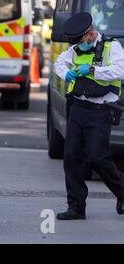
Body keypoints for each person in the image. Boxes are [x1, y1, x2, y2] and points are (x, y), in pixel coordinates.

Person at [54, 11, 124, 220]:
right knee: (71, 158)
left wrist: (93, 70)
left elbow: (120, 71)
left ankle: (122, 193)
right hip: (78, 108)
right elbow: (60, 62)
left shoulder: (112, 47)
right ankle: (76, 206)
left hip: (100, 111)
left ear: (91, 34)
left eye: (81, 41)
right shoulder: (75, 48)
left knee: (98, 158)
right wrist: (65, 73)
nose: (77, 47)